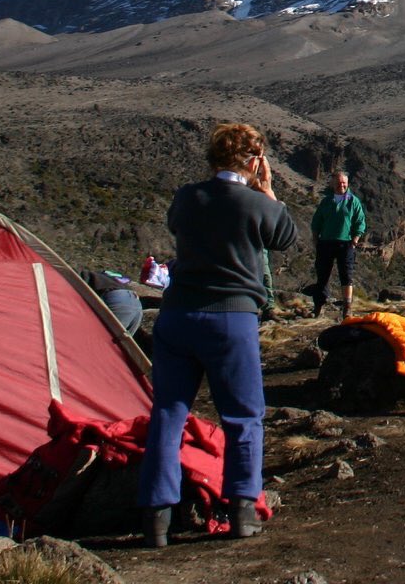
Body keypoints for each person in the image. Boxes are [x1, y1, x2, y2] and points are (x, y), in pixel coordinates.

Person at [137, 122, 297, 549]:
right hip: (231, 319)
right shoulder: (254, 203)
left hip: (176, 316)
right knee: (243, 415)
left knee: (168, 413)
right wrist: (268, 190)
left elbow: (177, 226)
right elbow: (285, 236)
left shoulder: (188, 197)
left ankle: (156, 516)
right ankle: (242, 508)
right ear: (255, 161)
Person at [309, 169, 368, 319]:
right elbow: (316, 221)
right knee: (322, 276)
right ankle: (318, 306)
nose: (341, 185)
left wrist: (355, 239)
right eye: (339, 182)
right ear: (332, 183)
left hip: (345, 244)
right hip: (326, 243)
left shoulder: (353, 201)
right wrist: (315, 239)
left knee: (346, 275)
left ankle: (347, 308)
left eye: (344, 183)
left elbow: (360, 221)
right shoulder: (326, 201)